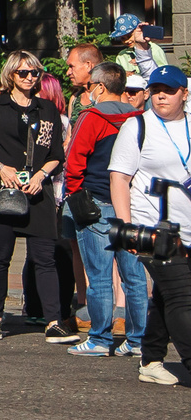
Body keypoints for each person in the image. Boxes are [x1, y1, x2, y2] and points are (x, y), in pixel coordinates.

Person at [0, 49, 63, 339]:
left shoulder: (47, 110)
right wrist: (2, 169)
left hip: (38, 192)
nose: (29, 77)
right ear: (11, 75)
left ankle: (53, 321)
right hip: (5, 190)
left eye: (34, 72)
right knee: (1, 256)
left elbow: (57, 154)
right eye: (23, 72)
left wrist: (41, 175)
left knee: (45, 258)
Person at [108, 64, 191, 385]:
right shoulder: (138, 126)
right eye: (155, 90)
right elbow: (119, 178)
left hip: (185, 228)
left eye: (169, 90)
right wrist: (125, 226)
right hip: (148, 228)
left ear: (184, 94)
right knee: (183, 296)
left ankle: (151, 359)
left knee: (166, 295)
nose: (160, 96)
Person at [64, 59, 146, 361]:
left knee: (98, 275)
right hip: (133, 203)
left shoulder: (92, 116)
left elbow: (74, 161)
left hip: (96, 200)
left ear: (99, 87)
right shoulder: (140, 117)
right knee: (134, 276)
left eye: (90, 87)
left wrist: (74, 194)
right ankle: (137, 340)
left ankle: (100, 337)